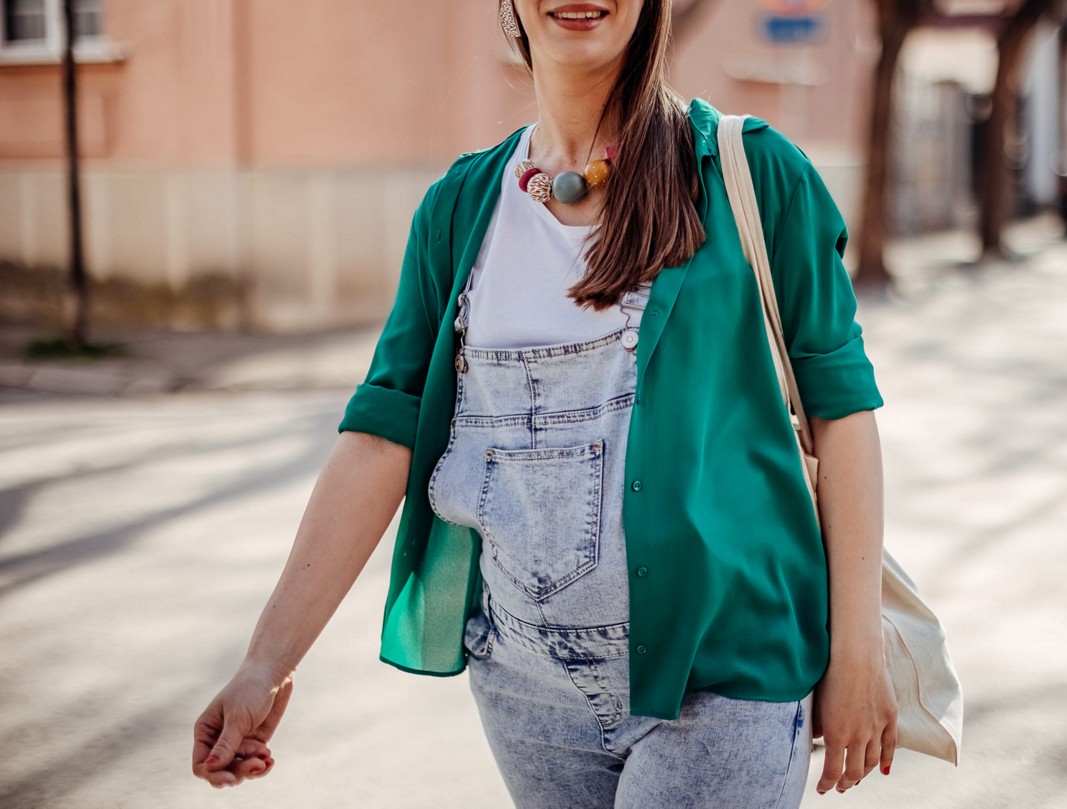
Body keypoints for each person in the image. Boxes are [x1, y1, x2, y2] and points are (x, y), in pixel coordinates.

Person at [191, 1, 896, 805]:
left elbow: (843, 412)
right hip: (527, 689)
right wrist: (266, 661)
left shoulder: (752, 174)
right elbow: (382, 434)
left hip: (724, 675)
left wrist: (858, 650)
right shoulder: (460, 208)